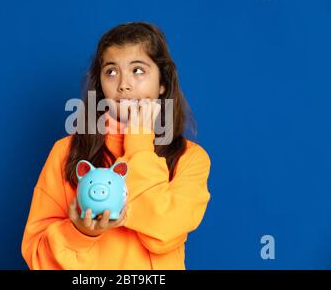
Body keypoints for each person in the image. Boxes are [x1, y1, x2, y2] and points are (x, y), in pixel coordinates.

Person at [21, 22, 211, 269]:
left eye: (139, 70)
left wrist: (139, 139)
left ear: (162, 83)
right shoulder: (66, 152)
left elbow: (163, 231)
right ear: (100, 84)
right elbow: (36, 256)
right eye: (111, 71)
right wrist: (79, 232)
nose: (124, 84)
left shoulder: (190, 158)